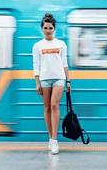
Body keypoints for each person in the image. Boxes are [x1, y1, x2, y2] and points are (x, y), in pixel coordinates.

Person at [32, 13, 71, 155]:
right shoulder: (37, 46)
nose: (48, 30)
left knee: (54, 105)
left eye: (50, 28)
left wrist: (68, 80)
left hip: (59, 78)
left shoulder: (61, 44)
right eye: (45, 28)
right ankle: (50, 138)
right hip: (44, 79)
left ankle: (55, 140)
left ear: (54, 29)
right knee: (47, 107)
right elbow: (36, 65)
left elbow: (65, 64)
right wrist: (37, 82)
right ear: (42, 29)